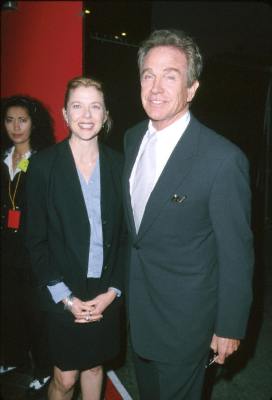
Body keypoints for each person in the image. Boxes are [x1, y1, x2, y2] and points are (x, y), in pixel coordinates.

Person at [123, 29, 254, 399]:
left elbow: (236, 253)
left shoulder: (222, 159)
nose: (156, 87)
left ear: (192, 89)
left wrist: (229, 325)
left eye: (171, 75)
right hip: (140, 311)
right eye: (148, 75)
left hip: (186, 322)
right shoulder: (133, 138)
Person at [25, 76, 126, 400]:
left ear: (106, 114)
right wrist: (66, 298)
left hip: (104, 291)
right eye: (77, 106)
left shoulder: (120, 166)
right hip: (62, 289)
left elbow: (126, 237)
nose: (86, 115)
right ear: (65, 114)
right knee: (65, 378)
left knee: (96, 368)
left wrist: (113, 292)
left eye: (95, 106)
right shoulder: (42, 166)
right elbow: (35, 241)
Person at [1, 95, 54, 392]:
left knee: (36, 313)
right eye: (9, 120)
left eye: (23, 120)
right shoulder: (3, 157)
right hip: (4, 249)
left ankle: (44, 367)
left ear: (34, 123)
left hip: (32, 249)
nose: (16, 126)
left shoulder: (44, 160)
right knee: (8, 307)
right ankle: (14, 358)